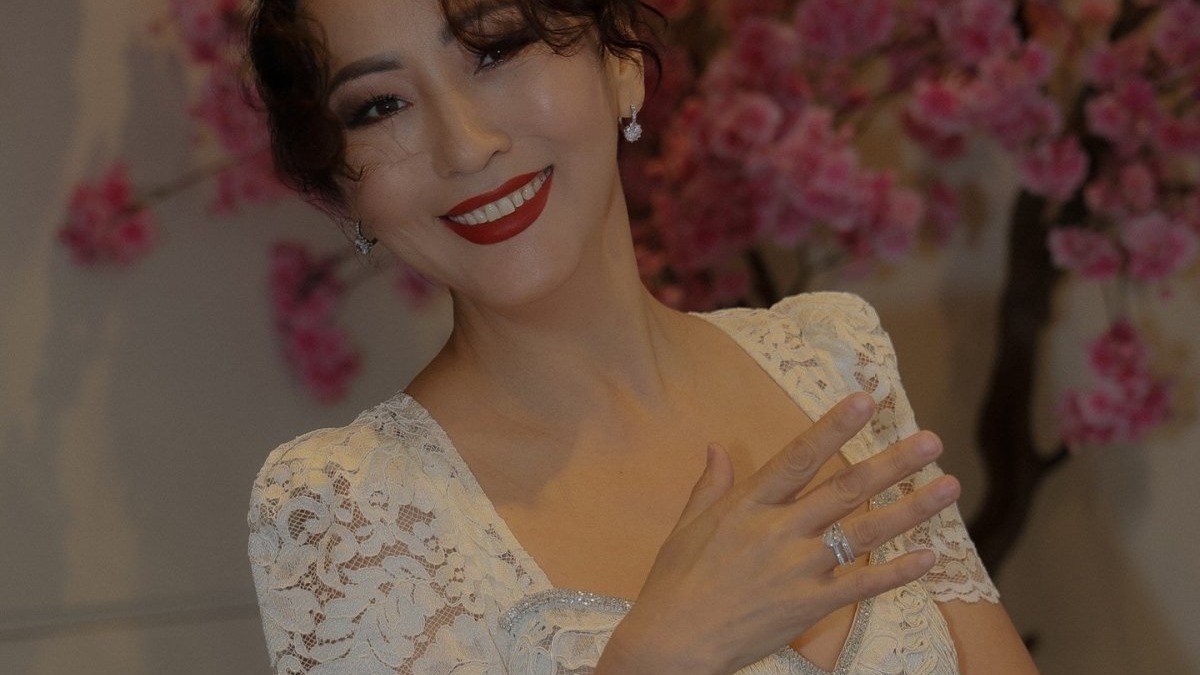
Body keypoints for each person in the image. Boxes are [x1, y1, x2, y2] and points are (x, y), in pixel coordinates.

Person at [245, 0, 1041, 672]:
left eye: (495, 50)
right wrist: (659, 657)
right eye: (381, 107)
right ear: (342, 185)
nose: (464, 145)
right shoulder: (346, 511)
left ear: (621, 61)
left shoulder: (829, 357)